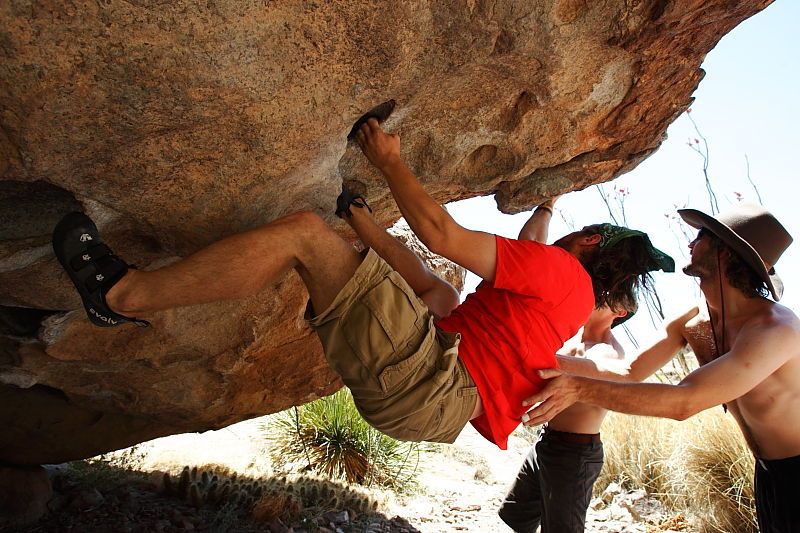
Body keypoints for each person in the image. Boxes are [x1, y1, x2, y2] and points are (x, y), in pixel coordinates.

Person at [51, 118, 669, 448]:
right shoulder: (562, 303)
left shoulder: (562, 274)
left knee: (302, 234)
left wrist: (390, 159)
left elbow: (444, 236)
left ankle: (120, 296)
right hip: (434, 399)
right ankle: (358, 223)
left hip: (430, 385)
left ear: (588, 244)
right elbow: (440, 274)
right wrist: (363, 223)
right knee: (441, 295)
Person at [521, 202, 800, 532]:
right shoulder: (692, 320)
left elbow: (685, 402)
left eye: (701, 237)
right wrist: (541, 359)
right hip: (767, 473)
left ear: (727, 253)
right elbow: (629, 373)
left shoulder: (775, 329)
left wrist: (577, 388)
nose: (690, 244)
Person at [498, 199, 651, 533]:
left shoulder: (609, 351)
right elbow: (529, 253)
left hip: (575, 455)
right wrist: (546, 208)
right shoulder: (567, 332)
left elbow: (584, 369)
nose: (602, 292)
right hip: (547, 442)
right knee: (517, 518)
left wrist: (519, 348)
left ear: (621, 311)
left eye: (613, 293)